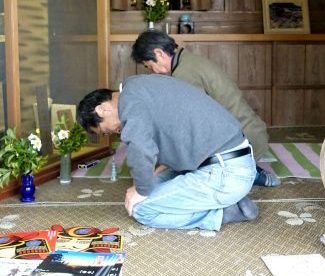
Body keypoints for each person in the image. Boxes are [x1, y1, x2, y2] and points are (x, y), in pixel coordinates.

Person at [77, 74, 258, 231]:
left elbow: (140, 147)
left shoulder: (129, 102)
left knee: (142, 208)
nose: (113, 133)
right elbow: (177, 132)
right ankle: (222, 200)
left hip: (226, 173)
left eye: (104, 130)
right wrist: (155, 174)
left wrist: (141, 190)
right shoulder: (141, 87)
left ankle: (223, 213)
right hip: (227, 161)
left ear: (102, 109)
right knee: (152, 181)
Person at [131, 30, 280, 187]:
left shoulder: (184, 73)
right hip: (250, 133)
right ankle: (248, 168)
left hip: (244, 142)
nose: (152, 71)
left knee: (185, 173)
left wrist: (164, 167)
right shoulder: (189, 60)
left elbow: (192, 128)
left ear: (159, 53)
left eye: (149, 66)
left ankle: (250, 174)